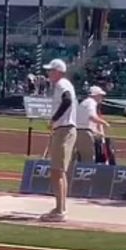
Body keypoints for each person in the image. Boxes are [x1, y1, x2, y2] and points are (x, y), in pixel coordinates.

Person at [40, 58, 77, 222]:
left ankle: (60, 210)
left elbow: (67, 100)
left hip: (64, 129)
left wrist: (54, 120)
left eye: (51, 71)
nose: (48, 73)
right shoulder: (62, 85)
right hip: (63, 129)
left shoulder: (62, 84)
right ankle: (59, 207)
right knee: (58, 171)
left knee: (57, 172)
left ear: (58, 72)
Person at [73, 85, 109, 164]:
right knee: (88, 158)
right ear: (96, 95)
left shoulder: (84, 102)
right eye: (100, 96)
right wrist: (104, 123)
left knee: (78, 156)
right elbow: (92, 116)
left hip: (79, 131)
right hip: (85, 132)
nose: (102, 98)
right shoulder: (91, 102)